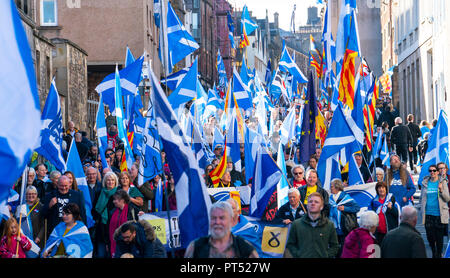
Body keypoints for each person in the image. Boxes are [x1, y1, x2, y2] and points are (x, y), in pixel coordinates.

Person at [184, 201, 259, 258]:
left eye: (222, 218)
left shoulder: (244, 248)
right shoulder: (195, 247)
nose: (217, 222)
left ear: (230, 220)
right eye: (213, 218)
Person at [284, 192, 339, 258]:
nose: (313, 203)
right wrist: (298, 255)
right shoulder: (296, 224)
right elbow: (290, 245)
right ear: (307, 205)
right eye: (310, 202)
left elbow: (335, 246)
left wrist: (326, 255)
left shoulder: (329, 225)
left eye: (316, 202)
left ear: (321, 207)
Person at [419, 164, 450, 258]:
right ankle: (434, 253)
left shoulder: (442, 182)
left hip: (439, 215)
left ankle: (438, 255)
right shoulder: (425, 182)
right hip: (428, 214)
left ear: (437, 172)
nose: (432, 172)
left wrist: (441, 190)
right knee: (430, 238)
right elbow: (421, 198)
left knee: (439, 239)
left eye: (434, 170)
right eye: (430, 171)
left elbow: (447, 198)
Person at [328, 179, 360, 252]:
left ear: (337, 187)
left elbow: (357, 208)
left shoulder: (346, 197)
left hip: (345, 228)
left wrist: (345, 208)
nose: (330, 188)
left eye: (332, 186)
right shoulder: (331, 198)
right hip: (334, 228)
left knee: (345, 249)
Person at [108, 190, 142, 257]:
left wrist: (142, 214)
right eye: (113, 199)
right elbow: (108, 229)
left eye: (116, 199)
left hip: (130, 243)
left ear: (122, 200)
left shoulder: (133, 209)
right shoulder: (112, 212)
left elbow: (139, 224)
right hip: (117, 244)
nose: (113, 201)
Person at [93, 171, 119, 258]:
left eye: (112, 180)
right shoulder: (99, 192)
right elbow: (95, 210)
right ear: (105, 181)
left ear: (115, 181)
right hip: (101, 228)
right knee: (101, 254)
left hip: (114, 228)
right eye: (108, 180)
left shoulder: (119, 193)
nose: (110, 182)